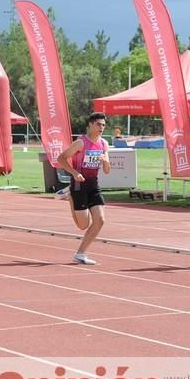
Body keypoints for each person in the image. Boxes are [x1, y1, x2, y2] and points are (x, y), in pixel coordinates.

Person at [57, 112, 111, 265]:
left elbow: (107, 170)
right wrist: (74, 172)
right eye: (98, 124)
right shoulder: (81, 143)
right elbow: (61, 158)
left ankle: (80, 254)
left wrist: (106, 161)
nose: (102, 128)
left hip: (94, 185)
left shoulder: (104, 144)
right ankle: (71, 199)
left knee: (100, 220)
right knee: (83, 225)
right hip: (79, 185)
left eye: (104, 125)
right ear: (90, 125)